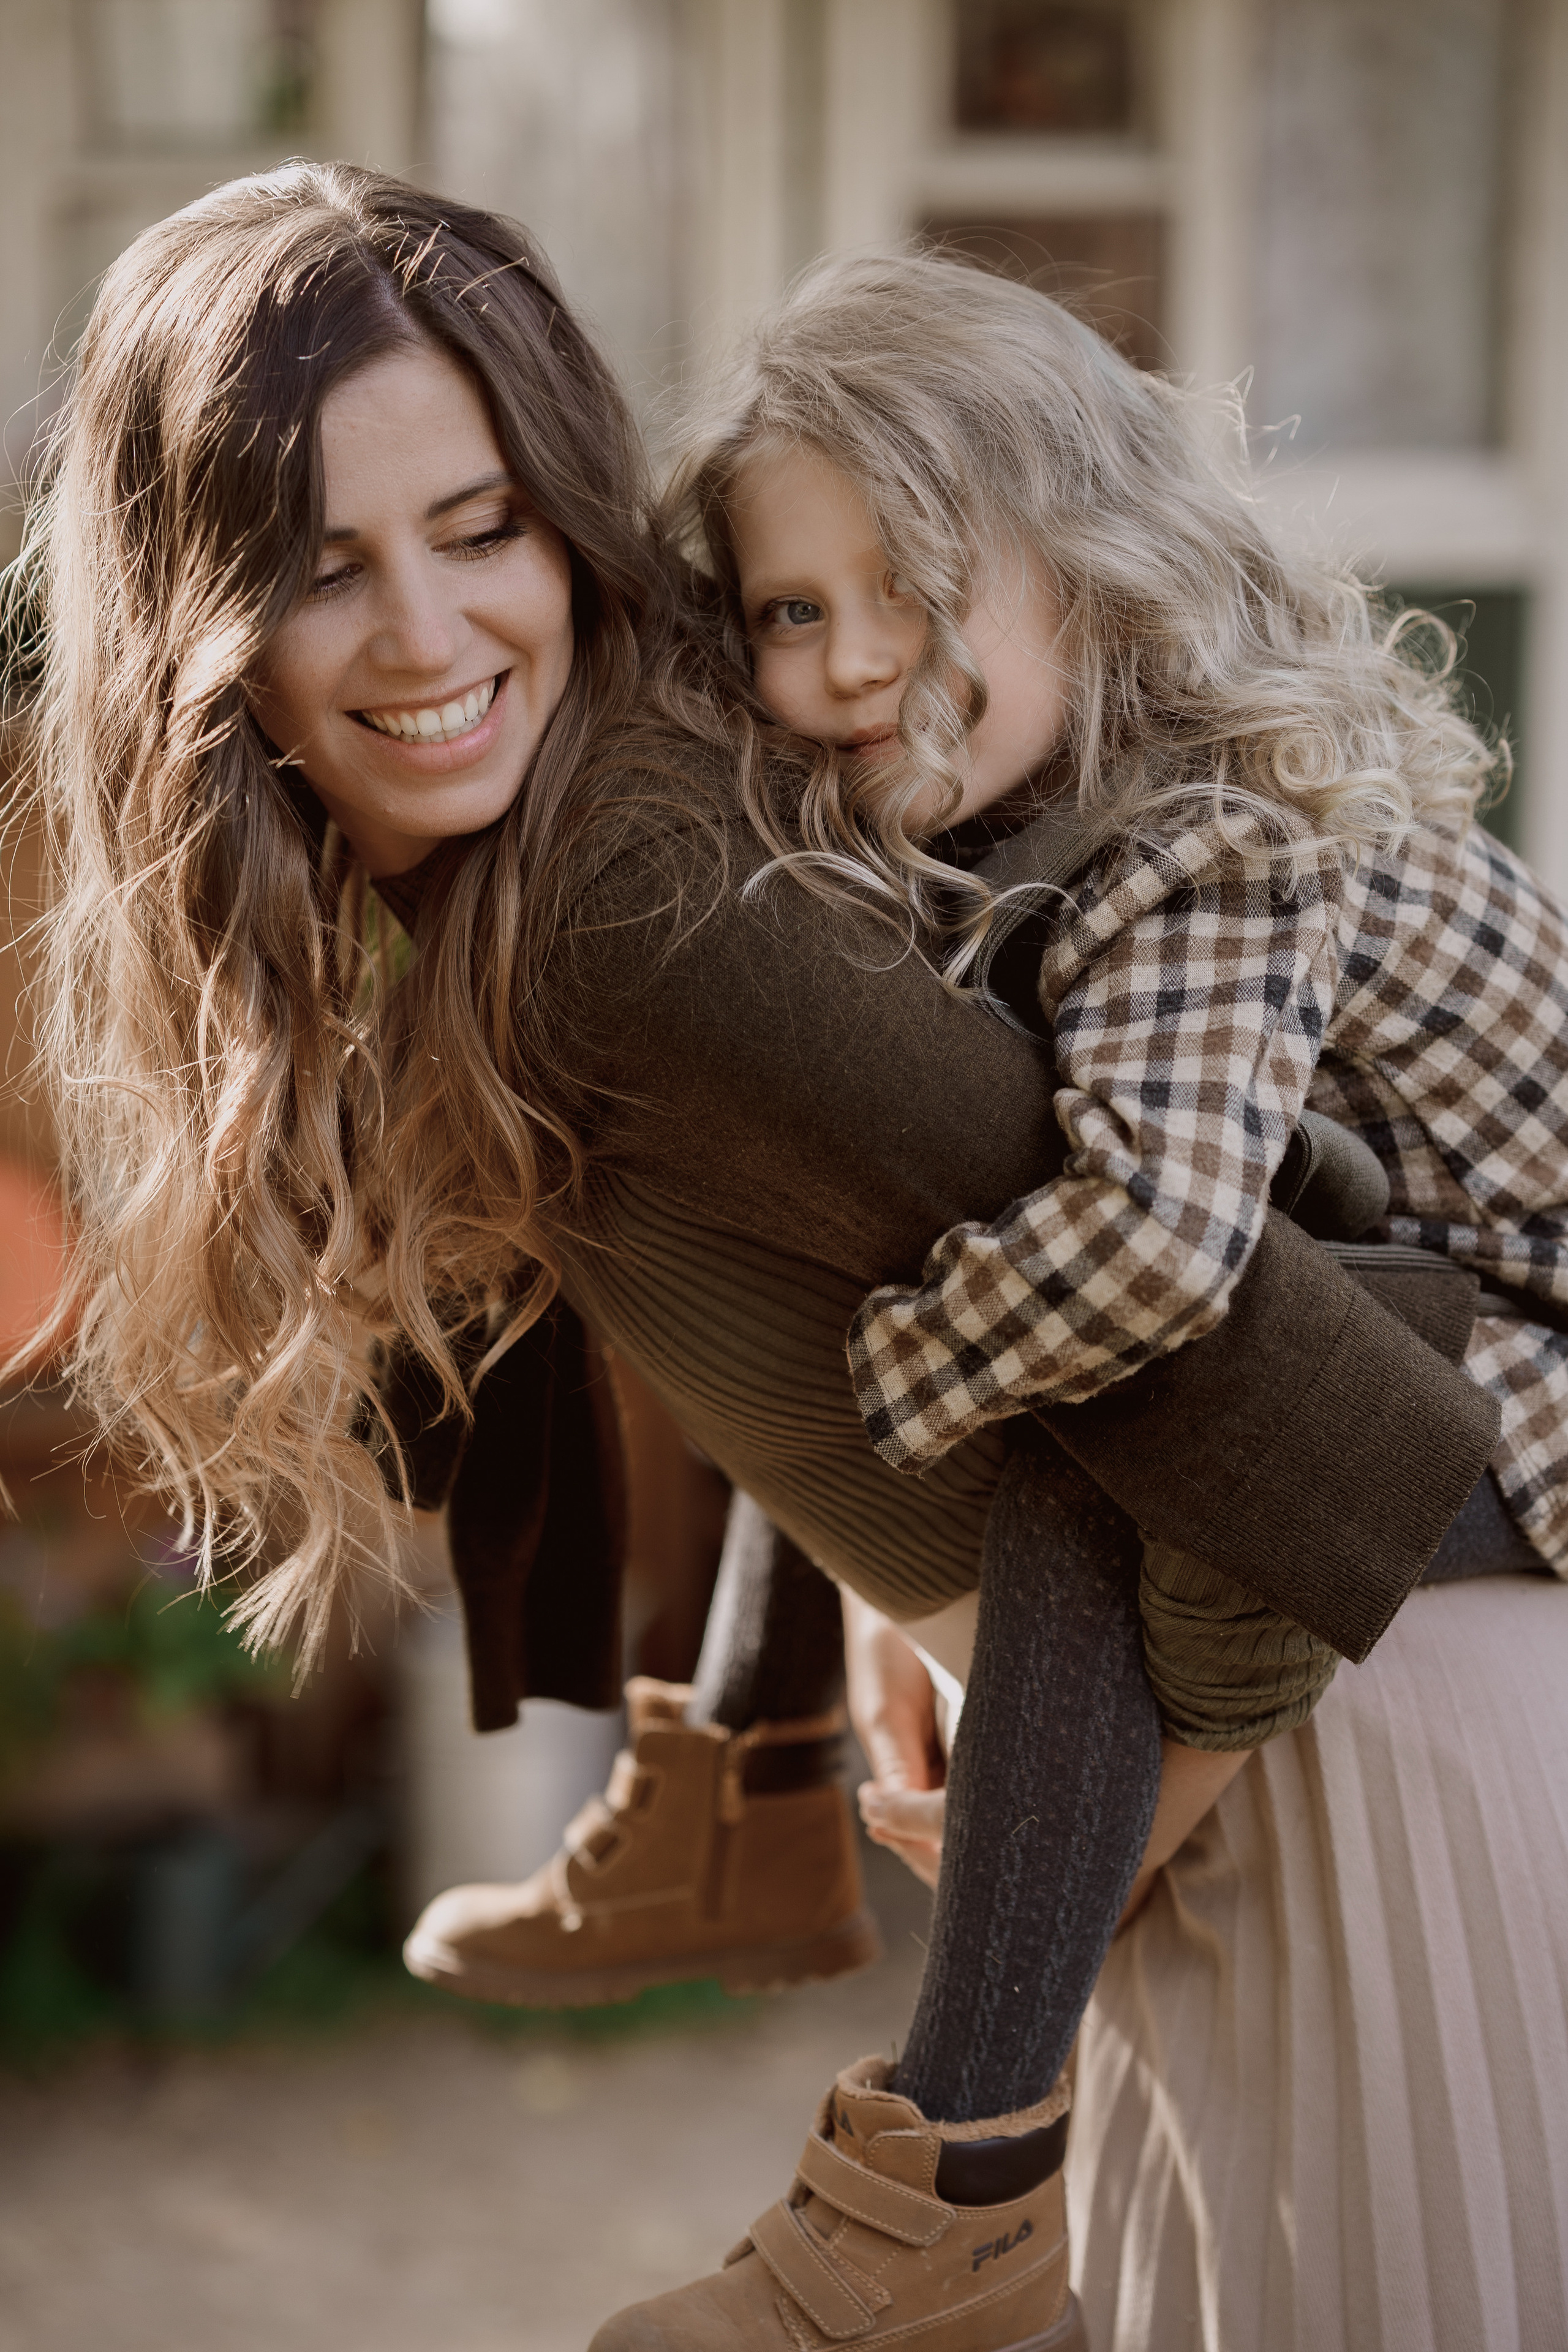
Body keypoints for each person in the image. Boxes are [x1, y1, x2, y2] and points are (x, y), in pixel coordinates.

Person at [4, 170, 1513, 2352]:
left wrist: (1014, 2012)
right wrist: (877, 1639)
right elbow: (870, 1298)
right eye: (326, 568)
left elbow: (1289, 1385)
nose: (426, 638)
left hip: (1353, 1741)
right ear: (187, 619)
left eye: (481, 528)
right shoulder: (527, 861)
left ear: (576, 521)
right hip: (1239, 1759)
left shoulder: (631, 889)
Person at [595, 249, 1568, 2350]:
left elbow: (1151, 1251)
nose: (854, 662)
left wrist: (895, 1393)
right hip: (1410, 1342)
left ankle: (954, 2169)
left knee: (1077, 1412)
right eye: (788, 609)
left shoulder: (1197, 849)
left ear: (1099, 580)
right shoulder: (1022, 835)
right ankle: (729, 1800)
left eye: (920, 581)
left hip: (1537, 1392)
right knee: (955, 1266)